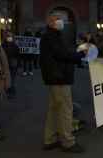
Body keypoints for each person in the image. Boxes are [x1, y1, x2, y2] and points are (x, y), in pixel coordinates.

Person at [40, 15, 87, 153]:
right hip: (59, 77)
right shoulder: (51, 37)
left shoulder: (52, 36)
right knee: (65, 110)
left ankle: (50, 139)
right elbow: (62, 54)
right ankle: (67, 142)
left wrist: (76, 54)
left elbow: (64, 53)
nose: (61, 22)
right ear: (50, 23)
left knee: (54, 109)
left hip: (56, 77)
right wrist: (80, 55)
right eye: (57, 19)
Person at [2, 32, 20, 99]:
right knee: (10, 79)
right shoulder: (5, 45)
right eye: (8, 36)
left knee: (11, 79)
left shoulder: (13, 45)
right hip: (7, 64)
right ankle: (10, 92)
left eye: (10, 36)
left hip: (12, 64)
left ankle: (11, 93)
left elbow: (18, 55)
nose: (9, 37)